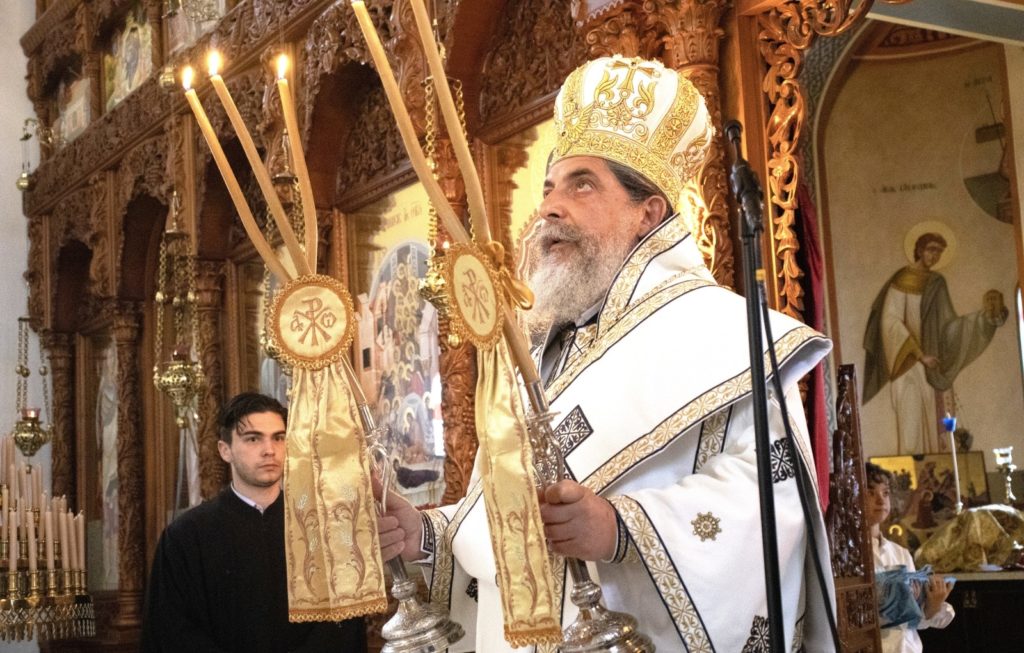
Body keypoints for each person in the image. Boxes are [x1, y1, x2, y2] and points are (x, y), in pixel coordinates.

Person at [375, 55, 837, 651]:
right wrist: (428, 538)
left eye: (582, 184)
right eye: (548, 188)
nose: (550, 207)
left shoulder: (727, 338)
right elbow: (505, 525)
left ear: (649, 212)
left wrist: (622, 530)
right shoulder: (545, 349)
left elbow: (772, 504)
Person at [141, 392, 366, 652]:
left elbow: (344, 619)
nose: (269, 450)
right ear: (225, 450)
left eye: (278, 438)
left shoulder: (323, 529)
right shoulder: (186, 537)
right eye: (253, 439)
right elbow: (172, 629)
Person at [863, 232, 1007, 454]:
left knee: (933, 426)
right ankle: (909, 480)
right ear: (919, 250)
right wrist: (920, 355)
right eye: (931, 250)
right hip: (907, 363)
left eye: (939, 252)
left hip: (932, 367)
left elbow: (949, 328)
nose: (935, 256)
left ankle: (936, 476)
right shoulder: (901, 280)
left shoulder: (937, 283)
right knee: (910, 424)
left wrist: (983, 319)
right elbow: (890, 321)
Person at [865, 462, 954, 652]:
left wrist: (932, 605)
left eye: (885, 493)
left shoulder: (900, 553)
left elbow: (914, 619)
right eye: (871, 493)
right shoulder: (846, 555)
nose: (881, 501)